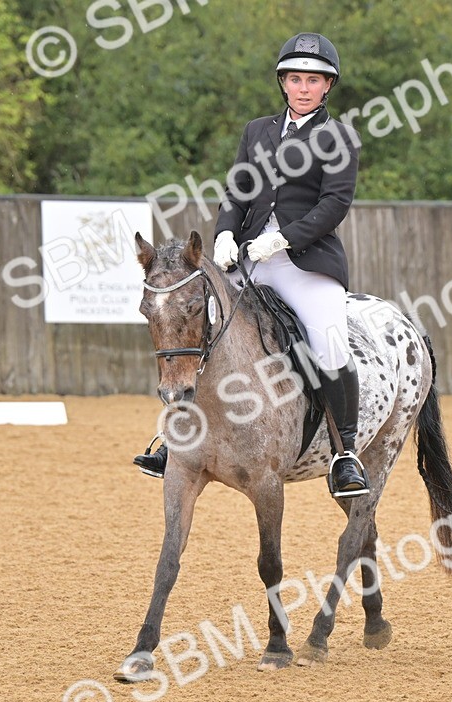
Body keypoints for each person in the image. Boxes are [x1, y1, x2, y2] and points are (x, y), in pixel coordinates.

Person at [135, 32, 368, 498]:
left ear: (328, 86)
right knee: (195, 321)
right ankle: (176, 438)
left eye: (314, 81)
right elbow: (237, 192)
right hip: (248, 257)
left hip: (306, 262)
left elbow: (334, 204)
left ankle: (345, 454)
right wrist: (224, 233)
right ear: (284, 83)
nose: (303, 88)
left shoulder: (339, 137)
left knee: (329, 342)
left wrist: (284, 238)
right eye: (296, 79)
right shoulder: (257, 130)